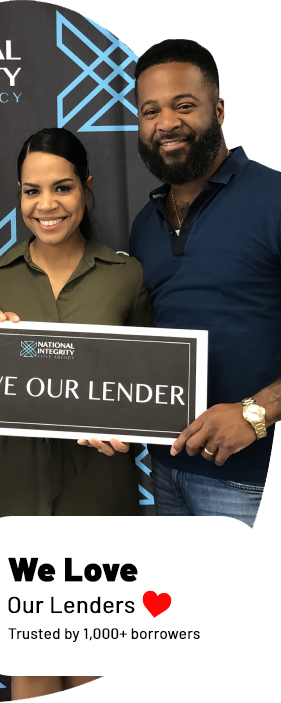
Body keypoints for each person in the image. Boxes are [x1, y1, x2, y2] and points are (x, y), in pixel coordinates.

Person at [0, 127, 153, 700]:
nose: (46, 204)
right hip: (10, 492)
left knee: (93, 658)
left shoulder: (126, 276)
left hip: (99, 493)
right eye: (31, 191)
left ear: (87, 189)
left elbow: (150, 386)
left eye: (62, 187)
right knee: (31, 661)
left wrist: (128, 430)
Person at [130, 39, 281, 527]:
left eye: (184, 105)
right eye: (151, 110)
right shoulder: (144, 225)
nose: (166, 123)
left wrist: (257, 414)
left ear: (218, 110)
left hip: (254, 480)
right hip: (163, 471)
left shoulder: (275, 198)